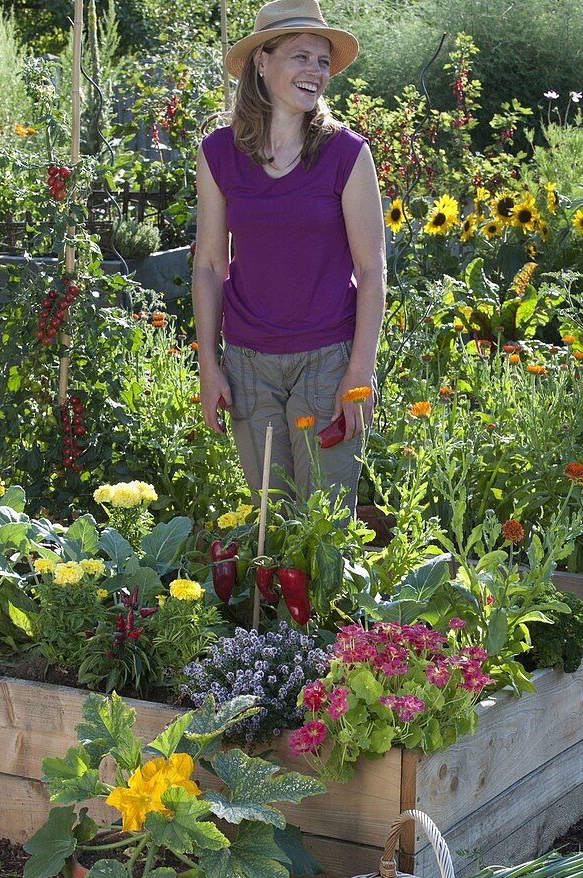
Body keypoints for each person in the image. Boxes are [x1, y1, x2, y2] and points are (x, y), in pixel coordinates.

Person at [193, 0, 386, 508]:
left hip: (327, 363)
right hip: (248, 366)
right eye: (301, 57)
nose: (315, 72)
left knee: (324, 526)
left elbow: (371, 270)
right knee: (270, 523)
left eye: (323, 62)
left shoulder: (347, 153)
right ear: (262, 60)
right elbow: (210, 264)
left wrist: (359, 373)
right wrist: (209, 366)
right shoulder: (218, 153)